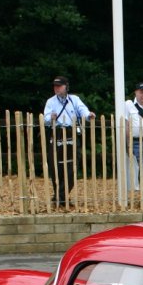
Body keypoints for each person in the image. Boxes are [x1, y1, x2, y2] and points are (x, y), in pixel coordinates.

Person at [43, 76, 95, 209]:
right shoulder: (50, 101)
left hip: (71, 133)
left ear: (66, 86)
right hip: (57, 133)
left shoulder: (74, 99)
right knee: (56, 166)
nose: (57, 88)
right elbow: (45, 119)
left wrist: (88, 115)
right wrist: (50, 118)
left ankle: (61, 196)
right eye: (55, 86)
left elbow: (82, 110)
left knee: (72, 166)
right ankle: (61, 196)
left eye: (59, 86)